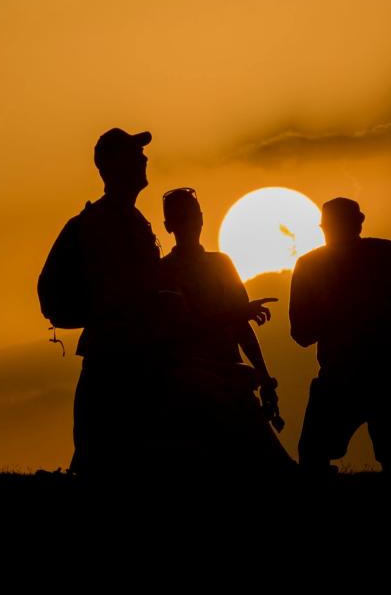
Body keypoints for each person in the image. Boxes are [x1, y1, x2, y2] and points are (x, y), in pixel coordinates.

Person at [39, 128, 282, 474]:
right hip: (128, 376)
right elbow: (125, 309)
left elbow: (168, 332)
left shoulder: (135, 222)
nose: (144, 158)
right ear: (113, 165)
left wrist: (243, 369)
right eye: (135, 153)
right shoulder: (104, 223)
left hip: (152, 368)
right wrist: (224, 323)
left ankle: (286, 471)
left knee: (224, 400)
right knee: (210, 426)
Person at [290, 198, 391, 475]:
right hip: (339, 381)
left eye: (341, 225)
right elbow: (300, 333)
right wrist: (325, 308)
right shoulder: (308, 265)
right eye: (332, 226)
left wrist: (371, 304)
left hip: (389, 379)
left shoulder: (385, 253)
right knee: (312, 456)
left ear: (359, 223)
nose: (336, 232)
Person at [159, 187, 281, 427]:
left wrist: (263, 376)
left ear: (202, 218)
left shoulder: (223, 263)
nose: (190, 223)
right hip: (192, 382)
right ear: (168, 225)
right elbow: (176, 333)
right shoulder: (162, 272)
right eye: (181, 217)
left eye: (194, 215)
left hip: (235, 374)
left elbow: (242, 325)